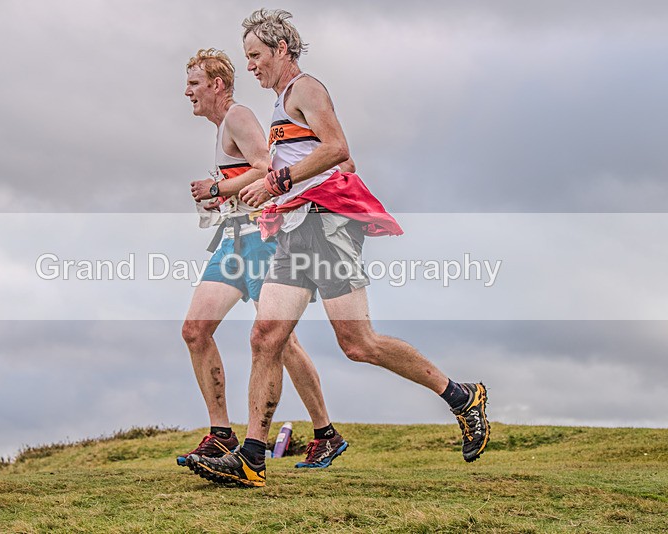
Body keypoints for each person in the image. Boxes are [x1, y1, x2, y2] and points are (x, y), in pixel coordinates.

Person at [186, 10, 489, 488]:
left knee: (358, 344)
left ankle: (460, 395)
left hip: (327, 224)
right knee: (266, 336)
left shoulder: (307, 88)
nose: (252, 66)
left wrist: (278, 180)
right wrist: (269, 190)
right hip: (294, 227)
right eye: (248, 57)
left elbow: (339, 149)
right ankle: (251, 458)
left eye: (257, 56)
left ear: (281, 49)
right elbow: (309, 158)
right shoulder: (280, 103)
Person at [178, 49, 348, 470]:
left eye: (194, 84)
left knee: (279, 342)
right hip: (232, 241)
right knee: (195, 331)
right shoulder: (222, 127)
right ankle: (220, 435)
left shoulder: (238, 117)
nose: (187, 93)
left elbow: (267, 166)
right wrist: (223, 195)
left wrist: (218, 191)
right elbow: (246, 175)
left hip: (261, 239)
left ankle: (325, 433)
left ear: (217, 86)